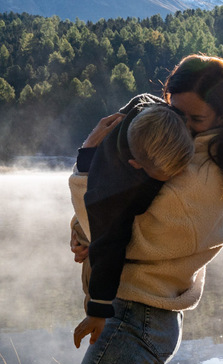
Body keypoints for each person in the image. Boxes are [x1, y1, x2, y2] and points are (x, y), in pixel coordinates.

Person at [67, 54, 223, 364]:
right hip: (144, 314)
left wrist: (85, 167)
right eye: (175, 110)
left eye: (195, 118)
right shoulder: (168, 143)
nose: (181, 126)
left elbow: (120, 233)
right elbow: (114, 202)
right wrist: (80, 230)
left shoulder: (199, 175)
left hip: (137, 318)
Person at [72, 93, 195, 322]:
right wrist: (98, 310)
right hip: (108, 268)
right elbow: (108, 245)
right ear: (136, 165)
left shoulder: (153, 111)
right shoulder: (113, 190)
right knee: (103, 242)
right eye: (162, 177)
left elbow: (141, 97)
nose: (172, 179)